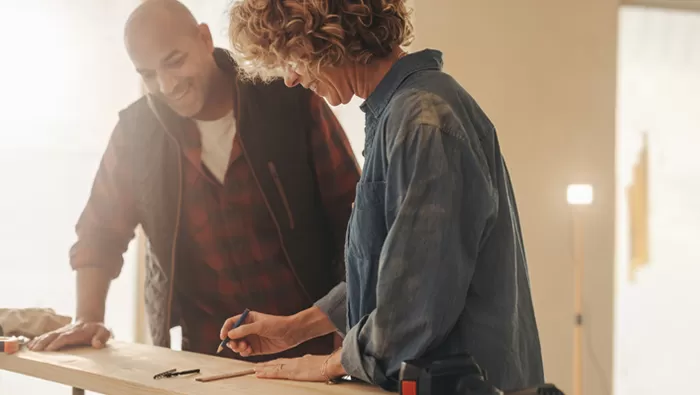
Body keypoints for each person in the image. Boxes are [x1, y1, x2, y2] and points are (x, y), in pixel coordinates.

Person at [219, 0, 546, 391]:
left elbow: (415, 309)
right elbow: (393, 271)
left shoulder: (423, 123)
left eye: (291, 57)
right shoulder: (398, 114)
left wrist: (328, 364)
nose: (290, 78)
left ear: (329, 37)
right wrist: (293, 329)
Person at [27, 0, 360, 362]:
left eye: (174, 61)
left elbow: (354, 217)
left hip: (308, 348)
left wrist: (348, 324)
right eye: (149, 74)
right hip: (202, 357)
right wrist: (88, 317)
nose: (166, 85)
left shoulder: (289, 97)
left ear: (204, 38)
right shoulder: (135, 133)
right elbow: (99, 232)